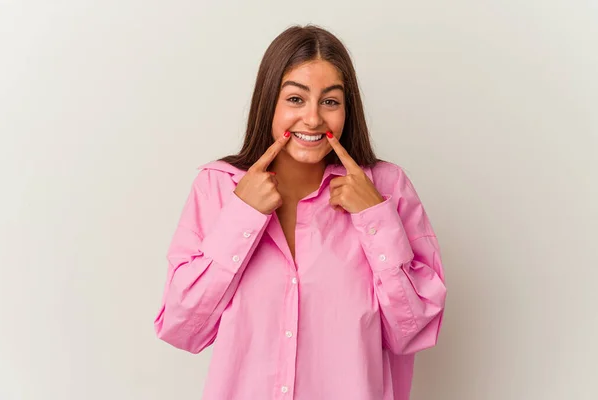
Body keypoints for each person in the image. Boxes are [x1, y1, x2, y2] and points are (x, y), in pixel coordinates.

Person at [154, 24, 447, 400]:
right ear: (269, 102)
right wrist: (242, 217)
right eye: (295, 99)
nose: (312, 119)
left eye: (330, 101)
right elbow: (183, 328)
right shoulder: (217, 188)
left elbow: (413, 330)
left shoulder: (387, 190)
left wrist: (374, 219)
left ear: (347, 109)